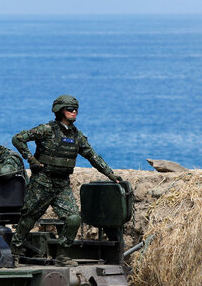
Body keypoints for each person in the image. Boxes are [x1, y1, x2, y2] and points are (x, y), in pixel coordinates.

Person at [11, 94, 123, 266]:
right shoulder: (46, 130)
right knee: (28, 218)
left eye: (75, 109)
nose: (74, 112)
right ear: (59, 111)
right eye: (69, 109)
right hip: (42, 182)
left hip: (62, 185)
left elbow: (93, 157)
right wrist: (31, 160)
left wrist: (111, 175)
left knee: (73, 219)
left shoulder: (77, 136)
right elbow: (18, 138)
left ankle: (62, 255)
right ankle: (14, 254)